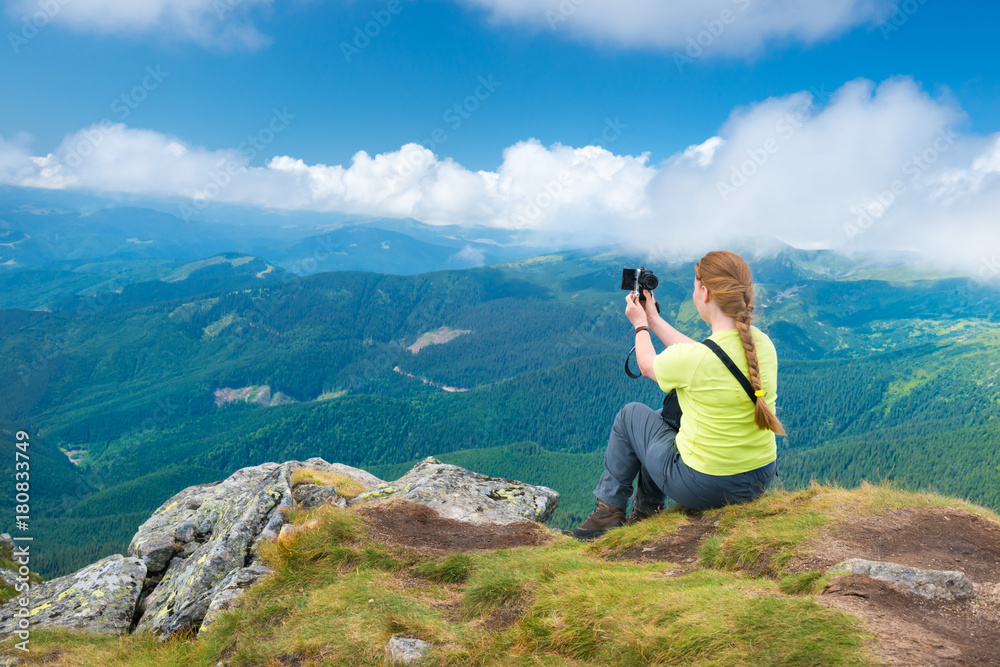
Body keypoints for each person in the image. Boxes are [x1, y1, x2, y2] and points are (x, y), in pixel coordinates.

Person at [573, 250, 783, 540]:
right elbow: (707, 356)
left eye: (695, 286)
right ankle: (645, 514)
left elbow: (647, 365)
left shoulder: (696, 360)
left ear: (705, 292)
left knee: (631, 416)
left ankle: (609, 514)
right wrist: (654, 319)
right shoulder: (763, 345)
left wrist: (640, 324)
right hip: (759, 477)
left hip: (707, 486)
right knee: (662, 418)